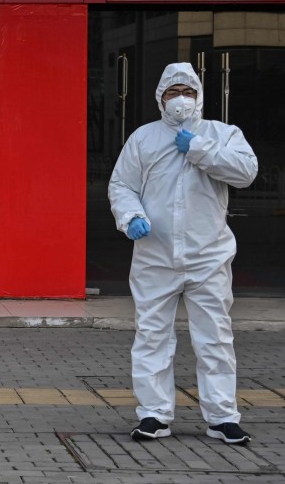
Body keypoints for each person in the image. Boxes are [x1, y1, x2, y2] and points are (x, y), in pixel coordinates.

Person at [109, 62, 258, 445]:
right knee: (152, 335)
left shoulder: (222, 134)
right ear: (160, 98)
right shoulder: (144, 138)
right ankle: (154, 414)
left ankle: (223, 416)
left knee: (215, 338)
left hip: (208, 256)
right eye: (172, 92)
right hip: (155, 255)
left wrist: (198, 148)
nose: (180, 99)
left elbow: (246, 172)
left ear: (199, 96)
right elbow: (121, 185)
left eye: (187, 91)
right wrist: (131, 216)